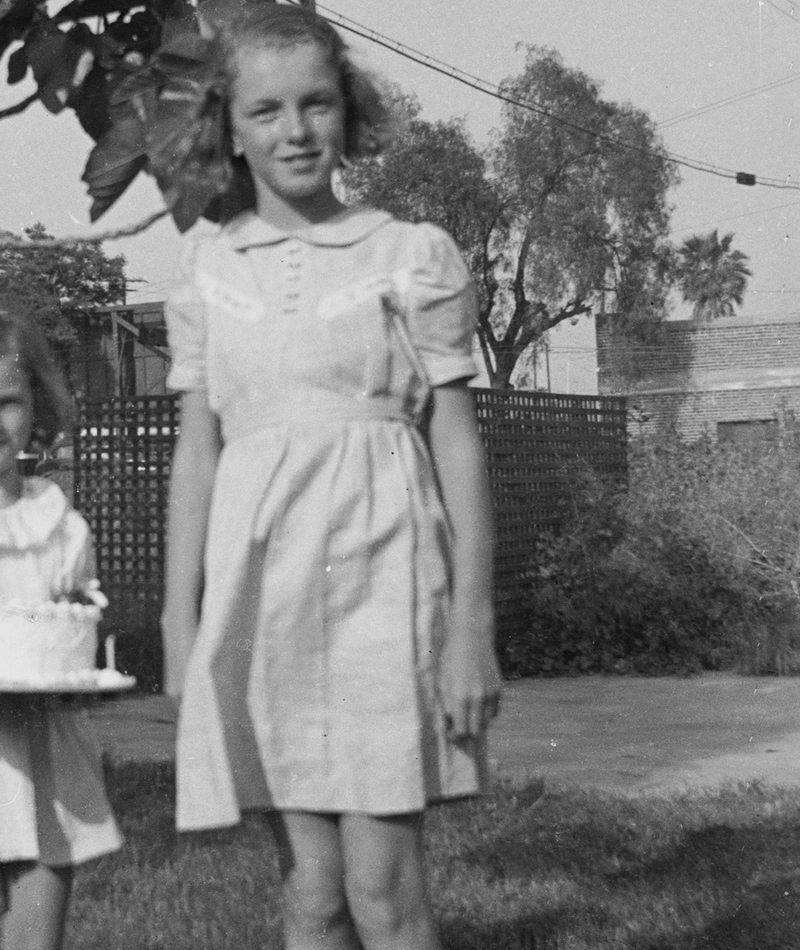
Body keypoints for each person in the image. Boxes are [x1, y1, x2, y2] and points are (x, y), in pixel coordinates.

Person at [161, 5, 501, 948]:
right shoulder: (207, 270)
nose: (296, 130)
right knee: (312, 895)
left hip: (382, 579)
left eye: (316, 104)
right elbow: (199, 452)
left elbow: (458, 444)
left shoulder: (408, 254)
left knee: (384, 893)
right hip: (261, 592)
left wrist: (471, 626)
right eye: (266, 110)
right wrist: (178, 617)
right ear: (228, 125)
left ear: (347, 112)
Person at [0, 312, 122, 950]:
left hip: (37, 755)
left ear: (36, 411)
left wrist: (75, 686)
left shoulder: (60, 527)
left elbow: (73, 633)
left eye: (8, 402)